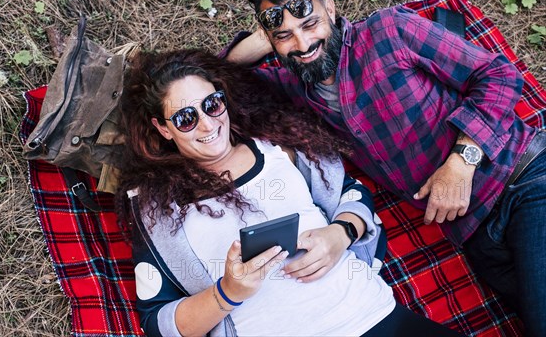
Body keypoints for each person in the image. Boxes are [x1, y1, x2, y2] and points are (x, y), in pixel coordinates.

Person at [224, 0, 546, 335]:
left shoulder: (388, 31)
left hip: (523, 181)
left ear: (331, 8)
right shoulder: (293, 88)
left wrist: (461, 162)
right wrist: (270, 36)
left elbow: (499, 76)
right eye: (285, 37)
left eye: (310, 23)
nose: (303, 44)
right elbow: (212, 78)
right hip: (475, 235)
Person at [114, 49, 462, 336]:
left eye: (212, 104)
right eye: (186, 118)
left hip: (372, 315)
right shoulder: (157, 208)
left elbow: (351, 194)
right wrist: (228, 292)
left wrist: (338, 235)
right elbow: (159, 322)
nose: (207, 124)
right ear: (162, 128)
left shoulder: (278, 148)